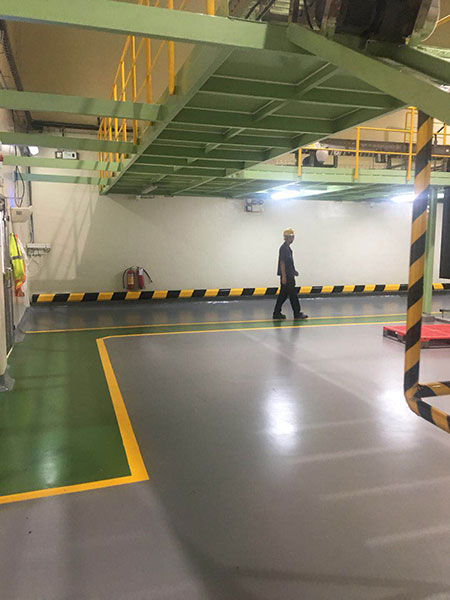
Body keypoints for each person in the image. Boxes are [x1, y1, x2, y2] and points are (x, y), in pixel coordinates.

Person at [273, 228, 308, 321]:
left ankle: (276, 313)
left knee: (283, 295)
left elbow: (289, 262)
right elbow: (282, 262)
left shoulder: (288, 248)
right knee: (293, 295)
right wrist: (284, 276)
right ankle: (297, 313)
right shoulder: (283, 248)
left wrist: (294, 271)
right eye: (292, 237)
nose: (293, 239)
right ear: (287, 237)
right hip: (287, 276)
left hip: (289, 274)